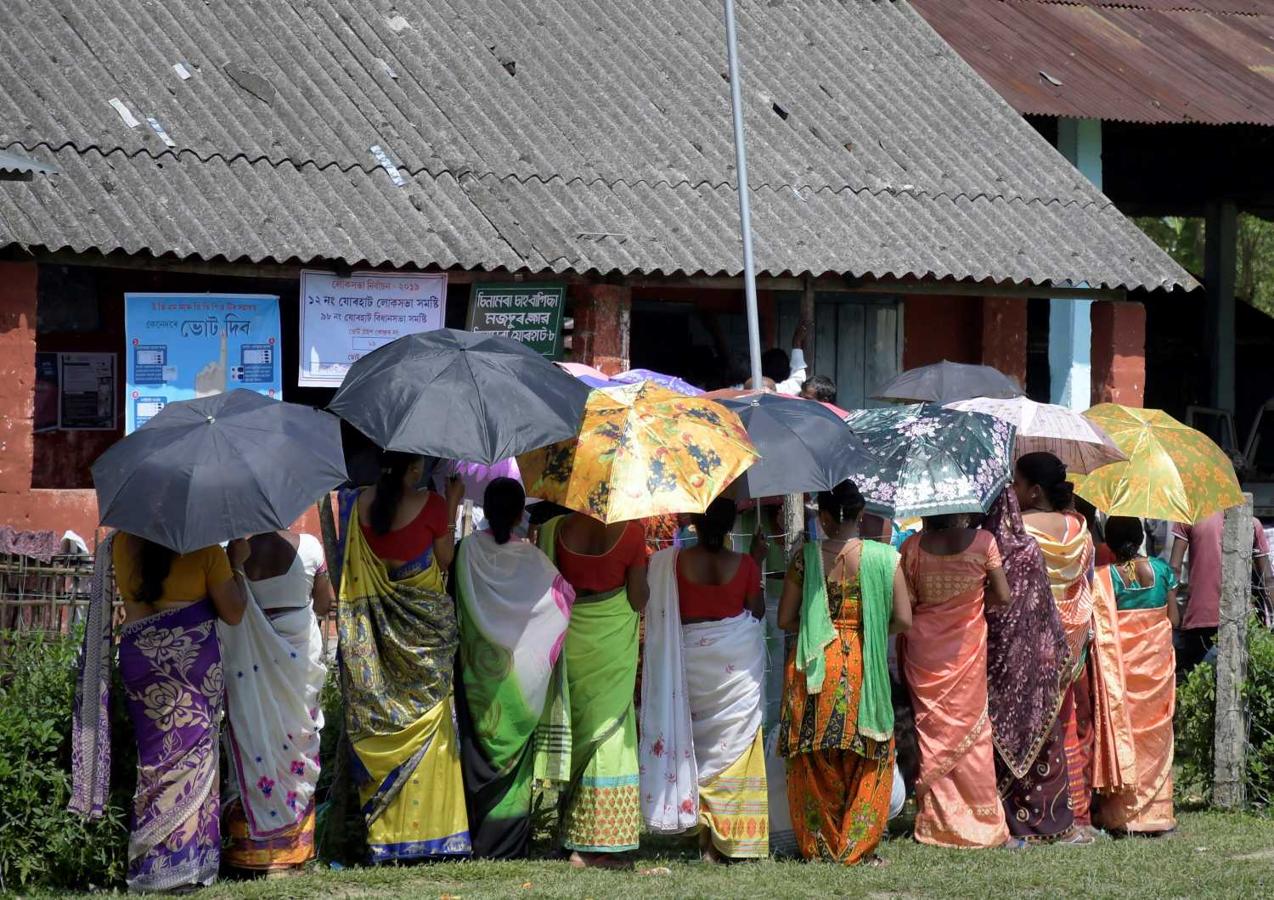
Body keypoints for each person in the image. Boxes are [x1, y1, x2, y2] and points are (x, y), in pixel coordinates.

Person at [70, 532, 247, 891]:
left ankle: (152, 863)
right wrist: (238, 564)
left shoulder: (119, 545)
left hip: (141, 664)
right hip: (193, 663)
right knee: (195, 760)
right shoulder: (207, 549)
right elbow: (233, 612)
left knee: (155, 760)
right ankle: (186, 863)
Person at [339, 451, 471, 862]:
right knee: (433, 722)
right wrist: (451, 502)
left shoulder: (359, 504)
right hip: (426, 629)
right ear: (415, 469)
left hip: (377, 635)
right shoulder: (430, 505)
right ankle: (436, 832)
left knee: (388, 718)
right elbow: (446, 559)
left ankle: (387, 833)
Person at [777, 481, 911, 866]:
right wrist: (864, 628)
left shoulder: (805, 559)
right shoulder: (886, 559)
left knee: (816, 757)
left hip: (814, 665)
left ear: (821, 517)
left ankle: (822, 846)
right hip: (861, 667)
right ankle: (856, 847)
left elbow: (786, 618)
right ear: (861, 514)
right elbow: (903, 620)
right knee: (869, 756)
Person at [640, 497, 768, 862]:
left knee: (694, 745)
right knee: (733, 746)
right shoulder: (743, 564)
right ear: (730, 526)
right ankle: (727, 836)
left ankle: (699, 827)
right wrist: (756, 561)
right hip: (734, 668)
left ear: (694, 521)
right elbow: (756, 611)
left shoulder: (671, 564)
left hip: (689, 666)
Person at [454, 478, 575, 859]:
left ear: (485, 511)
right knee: (514, 756)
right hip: (521, 684)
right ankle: (509, 843)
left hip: (476, 676)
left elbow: (451, 593)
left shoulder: (465, 549)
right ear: (522, 513)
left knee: (475, 749)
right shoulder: (533, 559)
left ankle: (475, 835)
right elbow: (563, 601)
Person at [538, 508, 649, 867]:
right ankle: (595, 847)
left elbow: (548, 585)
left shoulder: (555, 530)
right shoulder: (632, 531)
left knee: (581, 727)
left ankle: (571, 832)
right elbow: (637, 598)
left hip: (573, 639)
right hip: (611, 643)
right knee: (611, 732)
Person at [899, 514, 1015, 849]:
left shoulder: (912, 547)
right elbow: (1003, 596)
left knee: (931, 732)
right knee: (974, 733)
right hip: (966, 646)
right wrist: (973, 605)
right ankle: (982, 822)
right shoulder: (984, 542)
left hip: (925, 651)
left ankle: (938, 823)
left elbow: (910, 603)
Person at [221, 530, 332, 874]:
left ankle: (252, 854)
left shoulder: (233, 550)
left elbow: (228, 606)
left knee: (255, 737)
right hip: (299, 661)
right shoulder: (311, 547)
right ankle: (294, 853)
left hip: (250, 661)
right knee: (297, 742)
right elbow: (326, 604)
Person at [981, 489, 1080, 845]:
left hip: (993, 658)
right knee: (1042, 733)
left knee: (994, 734)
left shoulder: (983, 548)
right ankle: (1049, 822)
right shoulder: (1028, 550)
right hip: (1033, 659)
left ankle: (998, 816)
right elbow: (1043, 605)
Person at [1014, 451, 1098, 836]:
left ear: (1033, 491)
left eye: (1016, 483)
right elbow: (1086, 585)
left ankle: (1029, 812)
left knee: (1026, 726)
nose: (1010, 490)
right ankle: (1075, 812)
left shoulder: (1019, 532)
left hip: (1032, 639)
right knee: (1066, 723)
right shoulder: (1079, 528)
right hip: (1072, 641)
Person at [1093, 517, 1179, 835]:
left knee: (1124, 734)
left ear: (1109, 544)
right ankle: (1158, 812)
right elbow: (1174, 617)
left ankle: (1124, 815)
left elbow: (1102, 625)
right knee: (1155, 737)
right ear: (1142, 537)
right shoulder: (1162, 570)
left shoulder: (1105, 577)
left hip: (1121, 673)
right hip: (1156, 666)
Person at [1170, 511, 1273, 672]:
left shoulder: (1190, 517)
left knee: (1187, 678)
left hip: (1198, 616)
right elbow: (1267, 579)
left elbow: (1174, 569)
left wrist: (1169, 614)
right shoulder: (1252, 523)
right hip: (1239, 616)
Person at [764, 321, 811, 395]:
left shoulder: (744, 391)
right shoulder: (788, 390)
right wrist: (797, 342)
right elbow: (798, 374)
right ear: (788, 370)